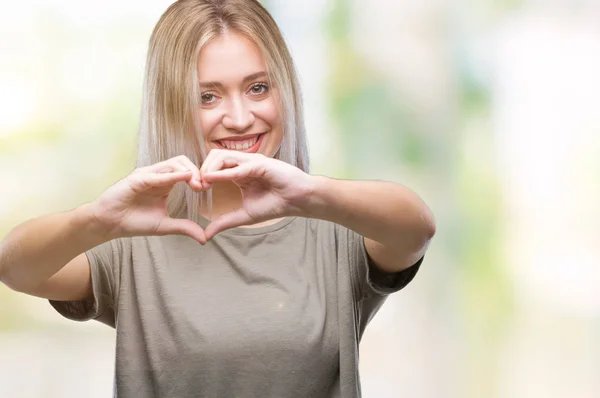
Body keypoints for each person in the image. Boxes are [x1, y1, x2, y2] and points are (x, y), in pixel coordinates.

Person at [0, 0, 435, 397]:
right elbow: (14, 267)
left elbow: (417, 228)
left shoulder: (336, 229)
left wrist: (309, 192)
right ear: (171, 105)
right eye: (207, 96)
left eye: (258, 88)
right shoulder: (132, 242)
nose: (241, 117)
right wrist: (97, 219)